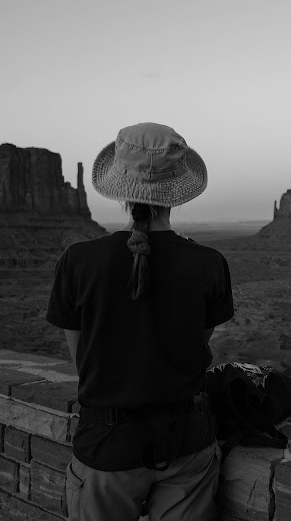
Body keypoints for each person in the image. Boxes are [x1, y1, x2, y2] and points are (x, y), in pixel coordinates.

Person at [46, 122, 234, 521]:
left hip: (109, 447)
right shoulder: (209, 263)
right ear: (176, 192)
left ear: (121, 192)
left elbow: (82, 359)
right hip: (187, 445)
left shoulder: (78, 261)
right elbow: (195, 346)